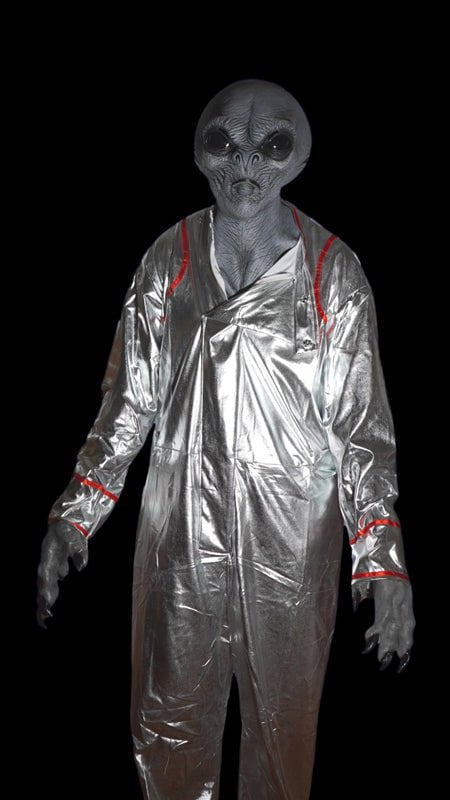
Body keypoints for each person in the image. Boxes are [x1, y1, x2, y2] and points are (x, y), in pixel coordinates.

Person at [37, 78, 415, 800]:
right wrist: (75, 514)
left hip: (291, 543)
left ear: (298, 159)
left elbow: (361, 428)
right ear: (199, 153)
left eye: (269, 147)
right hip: (181, 534)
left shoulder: (332, 272)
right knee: (168, 725)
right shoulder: (169, 259)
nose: (244, 165)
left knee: (283, 731)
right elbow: (128, 403)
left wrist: (383, 561)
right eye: (225, 143)